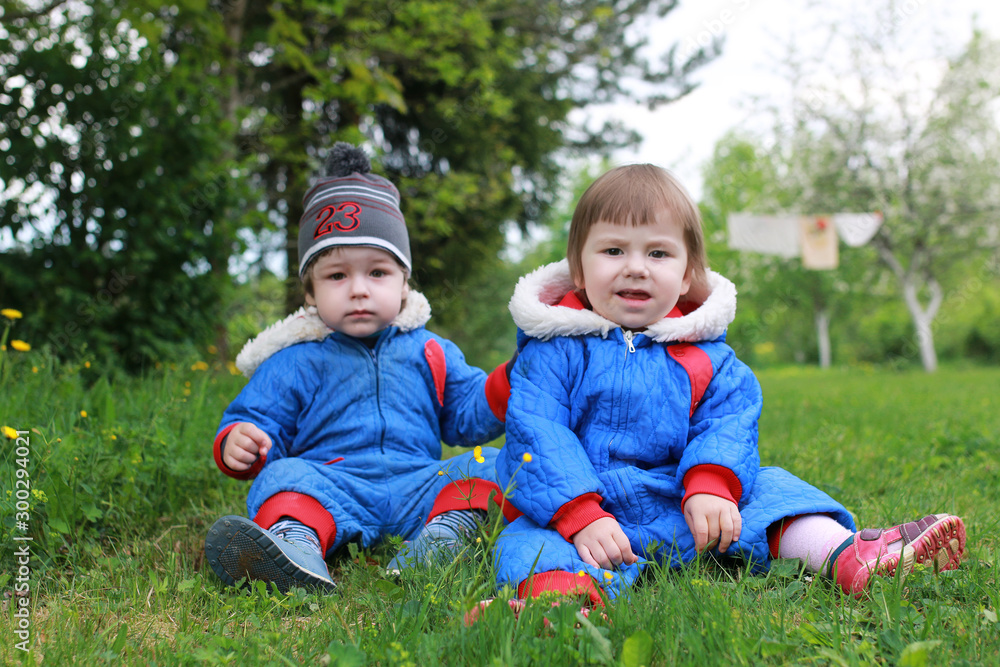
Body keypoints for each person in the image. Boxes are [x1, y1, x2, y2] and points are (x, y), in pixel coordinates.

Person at [491, 164, 965, 604]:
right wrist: (578, 514)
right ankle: (561, 600)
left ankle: (846, 555)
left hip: (685, 508)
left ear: (686, 277)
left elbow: (729, 421)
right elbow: (537, 430)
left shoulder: (707, 357)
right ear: (578, 269)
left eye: (658, 253)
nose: (636, 267)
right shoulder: (553, 351)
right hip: (587, 520)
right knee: (528, 538)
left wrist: (711, 484)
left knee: (773, 491)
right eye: (613, 250)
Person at [204, 143, 512, 593]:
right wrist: (242, 440)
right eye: (337, 276)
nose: (358, 290)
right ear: (310, 293)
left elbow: (466, 414)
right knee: (282, 478)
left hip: (417, 484)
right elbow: (259, 418)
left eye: (378, 273)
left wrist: (506, 384)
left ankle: (443, 541)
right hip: (333, 484)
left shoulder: (430, 350)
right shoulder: (295, 360)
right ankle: (295, 547)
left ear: (404, 283)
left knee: (491, 465)